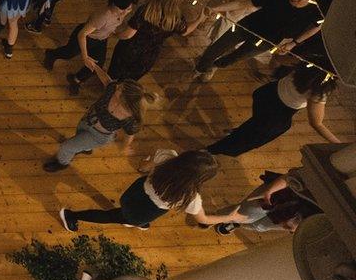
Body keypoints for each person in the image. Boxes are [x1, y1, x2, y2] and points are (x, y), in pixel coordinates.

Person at [59, 150, 244, 230]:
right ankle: (71, 215)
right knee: (113, 217)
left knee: (124, 210)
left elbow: (144, 166)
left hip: (135, 191)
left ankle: (136, 221)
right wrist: (230, 217)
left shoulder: (168, 156)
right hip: (145, 211)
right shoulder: (190, 198)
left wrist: (147, 164)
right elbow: (204, 219)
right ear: (201, 179)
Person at [195, 0, 324, 82]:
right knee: (217, 47)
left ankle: (215, 66)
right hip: (246, 26)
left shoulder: (313, 12)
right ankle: (200, 69)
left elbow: (316, 27)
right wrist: (217, 8)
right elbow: (242, 4)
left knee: (236, 57)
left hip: (266, 41)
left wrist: (293, 44)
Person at [207, 66, 341, 157]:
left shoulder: (309, 62)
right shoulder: (321, 89)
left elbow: (280, 58)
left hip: (266, 94)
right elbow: (316, 123)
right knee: (249, 140)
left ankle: (237, 132)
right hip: (277, 114)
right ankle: (210, 151)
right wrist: (339, 145)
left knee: (256, 121)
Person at [44, 67, 147, 172]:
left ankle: (62, 163)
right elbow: (107, 80)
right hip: (86, 120)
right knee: (78, 137)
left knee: (66, 147)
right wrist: (94, 66)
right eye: (121, 85)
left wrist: (125, 147)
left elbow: (130, 134)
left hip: (98, 136)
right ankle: (86, 149)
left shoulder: (129, 117)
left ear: (125, 99)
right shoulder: (113, 89)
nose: (117, 86)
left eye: (120, 89)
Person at [44, 0, 138, 96]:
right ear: (113, 4)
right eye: (123, 9)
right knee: (68, 53)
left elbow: (111, 27)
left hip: (100, 40)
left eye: (129, 9)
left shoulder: (119, 14)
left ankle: (75, 79)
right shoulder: (102, 16)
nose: (125, 12)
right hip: (87, 37)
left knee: (96, 65)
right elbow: (82, 34)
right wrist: (85, 57)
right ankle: (51, 54)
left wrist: (113, 34)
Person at [108, 0, 205, 81]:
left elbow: (128, 34)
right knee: (128, 81)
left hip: (129, 49)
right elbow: (185, 31)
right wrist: (199, 19)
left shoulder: (145, 10)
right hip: (148, 55)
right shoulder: (176, 19)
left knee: (113, 75)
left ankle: (107, 89)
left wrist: (115, 34)